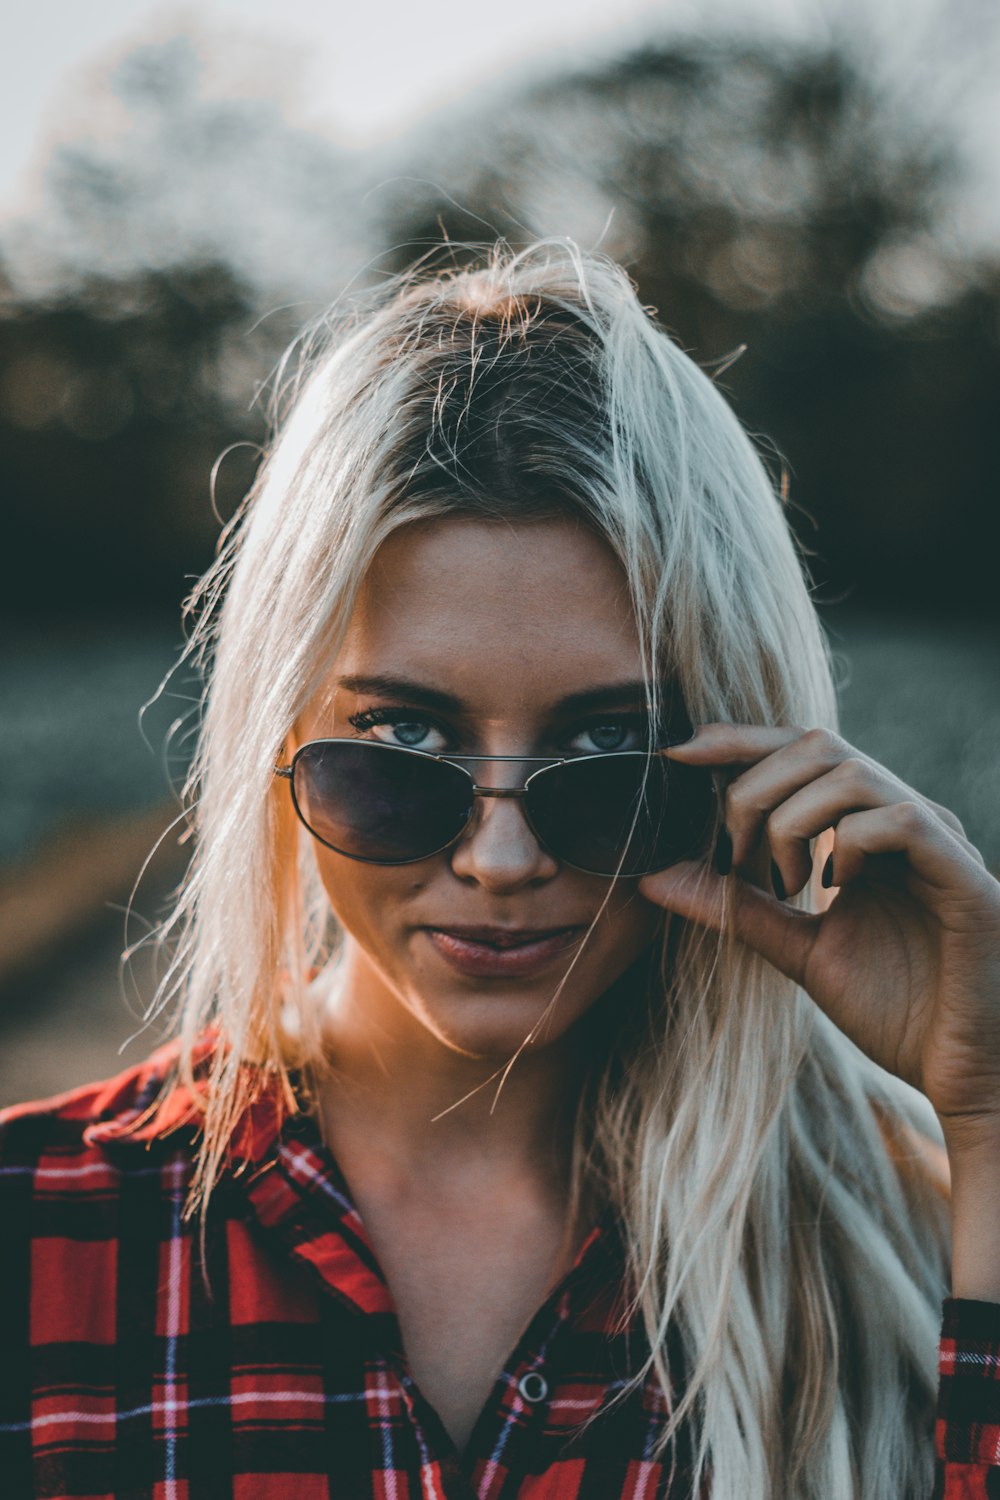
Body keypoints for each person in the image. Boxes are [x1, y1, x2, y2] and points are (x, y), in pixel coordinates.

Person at [1, 239, 998, 1500]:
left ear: (738, 759)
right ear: (277, 731)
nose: (499, 856)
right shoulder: (36, 1227)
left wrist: (989, 1112)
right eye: (402, 740)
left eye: (606, 751)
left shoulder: (903, 1247)